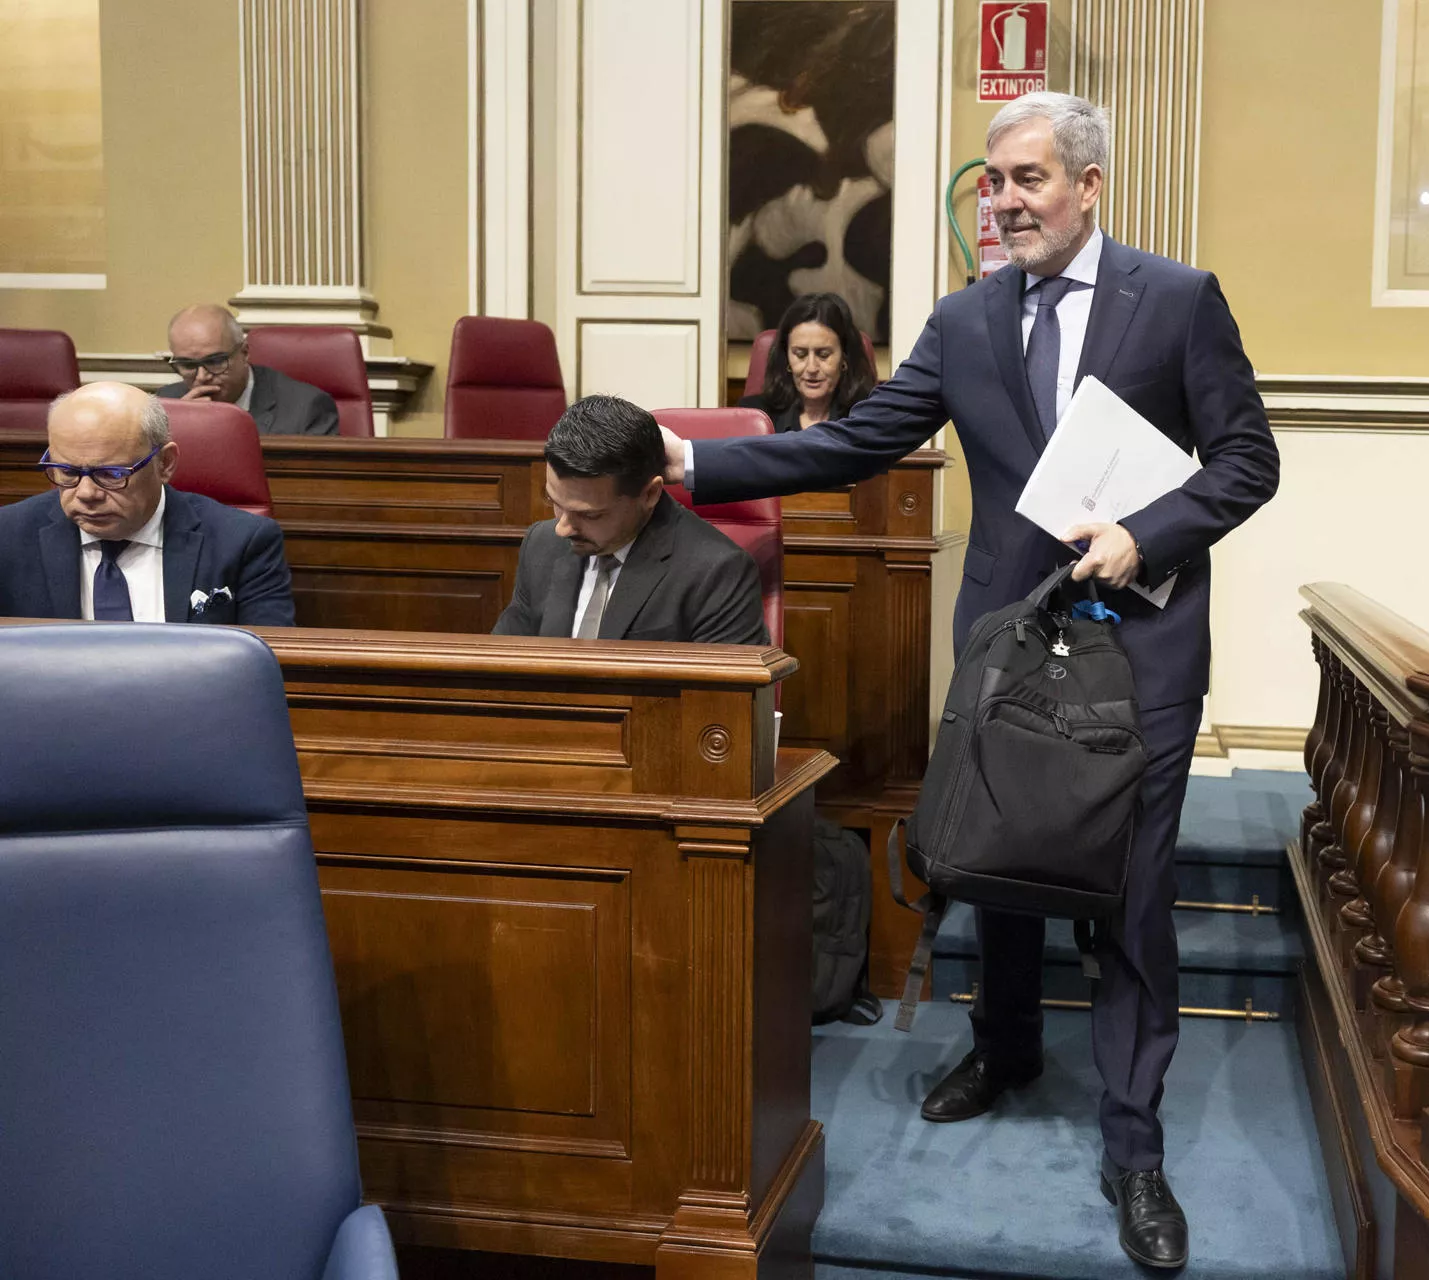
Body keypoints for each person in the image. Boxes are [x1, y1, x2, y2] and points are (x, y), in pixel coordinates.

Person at [662, 92, 1278, 1270]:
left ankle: (1134, 1142)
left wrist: (1146, 532)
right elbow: (858, 439)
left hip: (1142, 644)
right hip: (1008, 638)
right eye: (994, 183)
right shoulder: (964, 318)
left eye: (1029, 179)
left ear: (1089, 185)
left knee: (1133, 890)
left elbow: (1248, 460)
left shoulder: (1177, 299)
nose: (1004, 203)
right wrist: (701, 459)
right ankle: (1004, 1046)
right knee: (999, 855)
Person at [0, 382, 297, 626]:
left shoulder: (242, 542)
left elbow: (267, 661)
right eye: (67, 472)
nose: (86, 493)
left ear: (165, 463)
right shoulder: (8, 537)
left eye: (111, 474)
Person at [493, 394, 770, 645]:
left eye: (589, 514)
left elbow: (722, 687)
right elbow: (503, 663)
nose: (562, 529)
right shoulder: (541, 545)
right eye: (554, 501)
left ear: (649, 494)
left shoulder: (718, 572)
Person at [156, 304, 340, 436]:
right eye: (188, 365)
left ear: (244, 353)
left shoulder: (306, 408)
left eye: (215, 361)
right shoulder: (165, 405)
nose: (202, 377)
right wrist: (180, 429)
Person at [739, 292, 878, 432]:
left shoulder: (869, 417)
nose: (811, 368)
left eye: (823, 355)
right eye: (800, 355)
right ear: (787, 356)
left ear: (844, 357)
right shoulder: (754, 416)